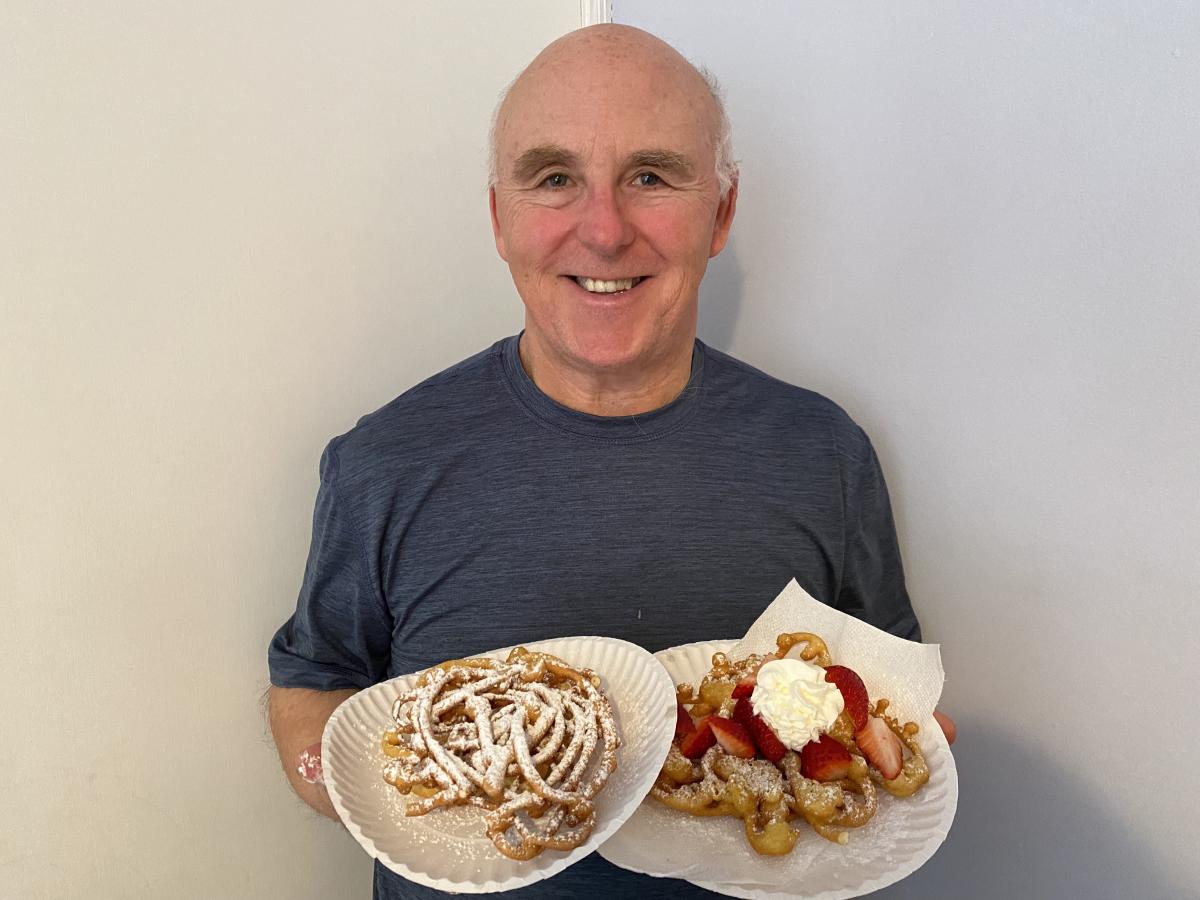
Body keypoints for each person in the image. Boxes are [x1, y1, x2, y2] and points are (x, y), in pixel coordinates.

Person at [268, 23, 954, 900]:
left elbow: (892, 706)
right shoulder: (384, 461)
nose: (602, 230)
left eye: (651, 176)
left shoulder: (824, 454)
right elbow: (313, 684)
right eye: (554, 179)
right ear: (499, 218)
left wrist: (897, 751)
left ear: (723, 212)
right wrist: (373, 787)